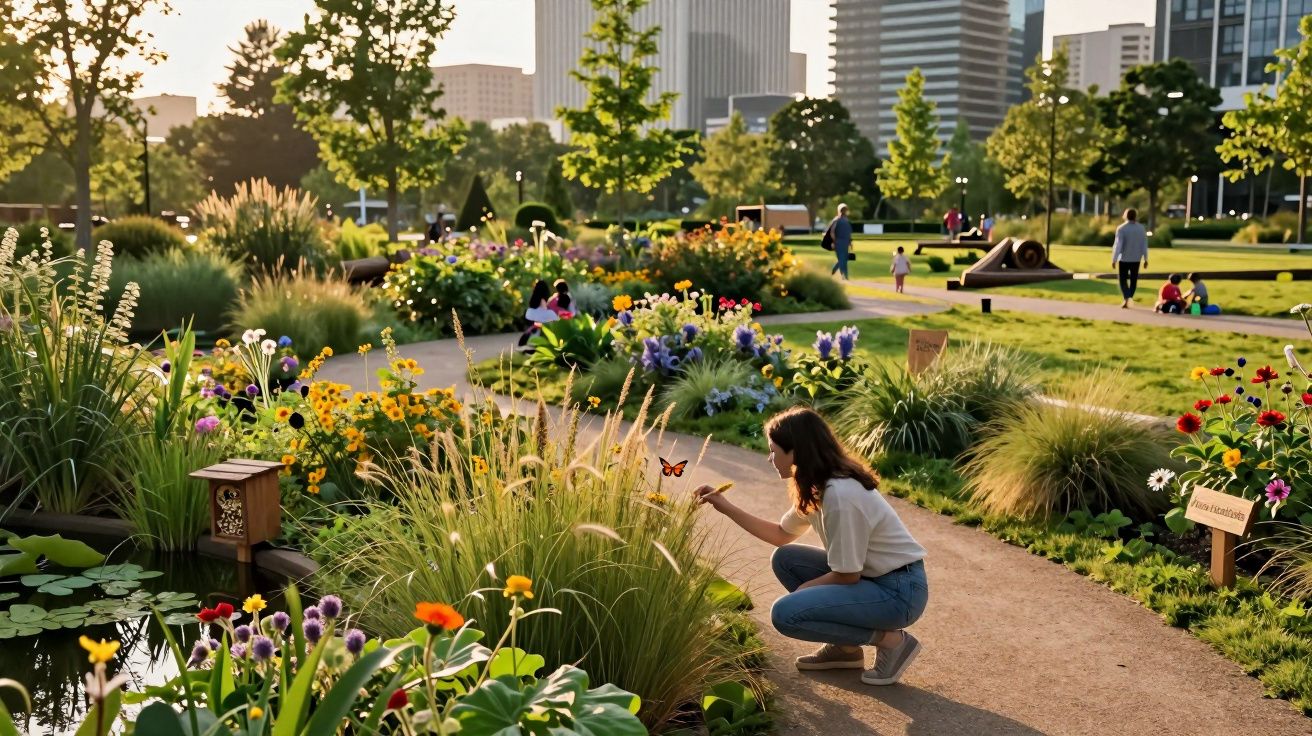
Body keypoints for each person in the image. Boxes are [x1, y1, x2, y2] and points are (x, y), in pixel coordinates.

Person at [693, 407, 929, 686]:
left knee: (786, 614)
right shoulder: (818, 485)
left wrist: (804, 591)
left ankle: (891, 641)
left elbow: (847, 575)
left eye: (773, 451)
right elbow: (781, 534)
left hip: (899, 592)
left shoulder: (840, 495)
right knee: (786, 559)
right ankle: (845, 650)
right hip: (874, 579)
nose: (770, 458)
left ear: (796, 452)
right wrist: (725, 506)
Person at [1111, 208, 1149, 308]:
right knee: (1133, 280)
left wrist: (1114, 259)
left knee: (1122, 280)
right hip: (1136, 259)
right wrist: (1145, 259)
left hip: (1124, 259)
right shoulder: (1141, 228)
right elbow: (1144, 245)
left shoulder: (1122, 228)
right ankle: (1129, 297)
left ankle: (1126, 297)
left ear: (1125, 216)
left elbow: (1118, 245)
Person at [826, 204, 853, 280]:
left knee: (844, 259)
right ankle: (843, 275)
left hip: (845, 242)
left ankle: (842, 274)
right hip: (839, 242)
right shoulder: (836, 220)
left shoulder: (846, 220)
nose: (845, 211)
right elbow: (832, 232)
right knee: (842, 259)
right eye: (844, 210)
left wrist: (850, 242)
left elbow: (848, 233)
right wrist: (834, 241)